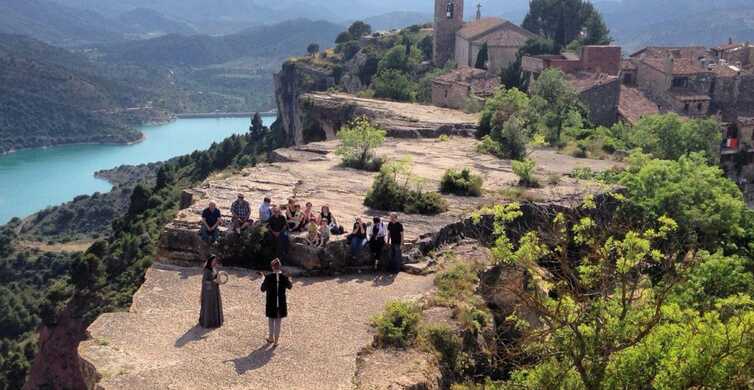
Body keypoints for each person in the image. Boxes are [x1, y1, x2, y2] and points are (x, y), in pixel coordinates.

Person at [261, 259, 293, 347]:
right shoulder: (284, 277)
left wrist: (263, 279)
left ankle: (271, 337)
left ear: (272, 267)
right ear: (280, 267)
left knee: (271, 320)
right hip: (281, 303)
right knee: (278, 322)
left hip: (271, 302)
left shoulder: (268, 277)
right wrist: (289, 278)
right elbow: (290, 286)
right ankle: (276, 340)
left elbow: (262, 289)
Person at [199, 255, 224, 328]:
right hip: (208, 293)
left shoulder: (214, 269)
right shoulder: (207, 270)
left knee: (215, 305)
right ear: (210, 261)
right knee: (209, 306)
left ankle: (216, 321)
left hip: (215, 290)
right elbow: (205, 282)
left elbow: (216, 277)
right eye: (214, 260)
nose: (215, 262)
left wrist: (218, 279)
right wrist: (214, 281)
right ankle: (208, 322)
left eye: (216, 260)